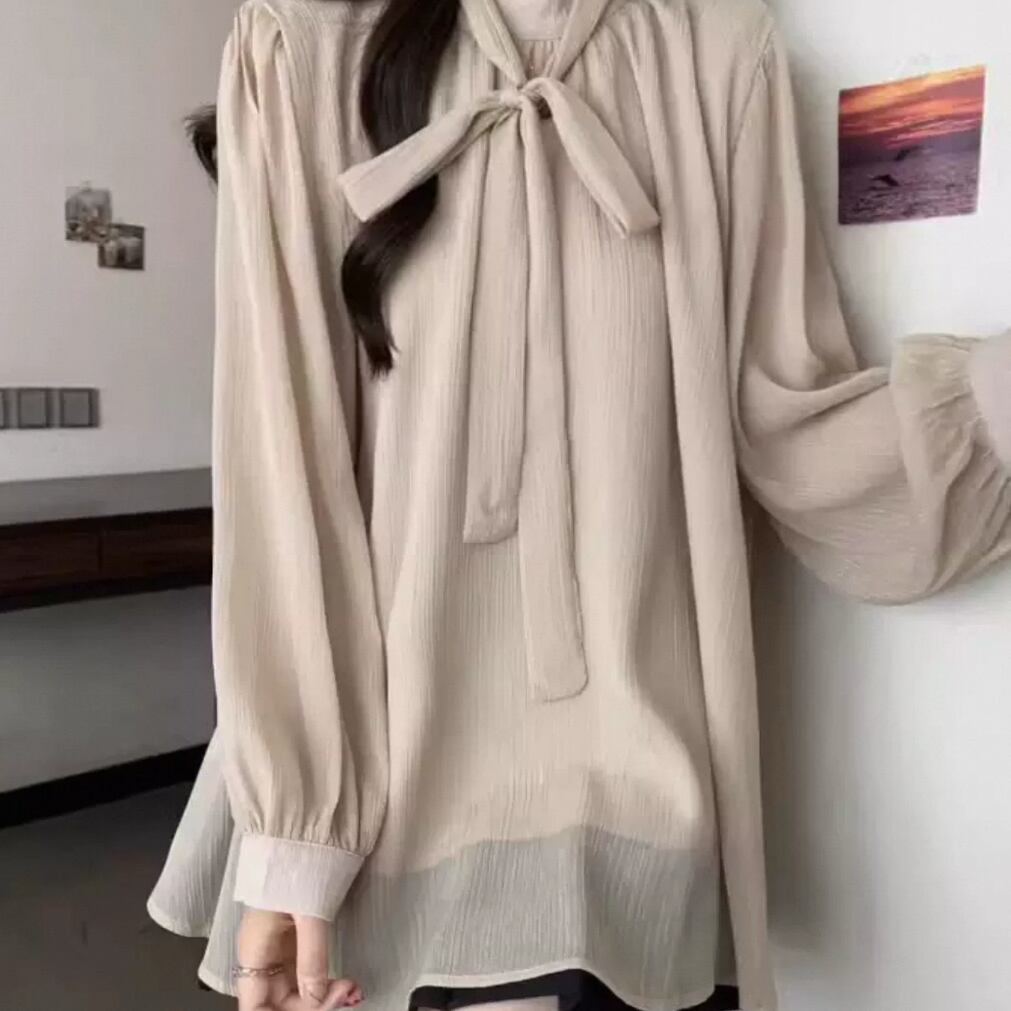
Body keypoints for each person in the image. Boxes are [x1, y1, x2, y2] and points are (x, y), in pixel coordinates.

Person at [148, 1, 1011, 1009]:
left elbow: (792, 426)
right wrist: (294, 833)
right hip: (379, 796)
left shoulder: (714, 52)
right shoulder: (303, 44)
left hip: (639, 789)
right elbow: (279, 469)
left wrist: (988, 404)